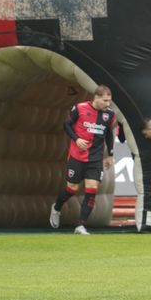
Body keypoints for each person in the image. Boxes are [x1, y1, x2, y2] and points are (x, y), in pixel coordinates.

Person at [49, 85, 116, 235]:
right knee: (71, 189)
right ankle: (57, 207)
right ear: (96, 98)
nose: (108, 104)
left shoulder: (110, 115)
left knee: (91, 190)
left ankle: (80, 226)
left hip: (96, 159)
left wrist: (110, 154)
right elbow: (66, 124)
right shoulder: (79, 108)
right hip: (77, 156)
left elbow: (109, 135)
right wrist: (76, 139)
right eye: (105, 100)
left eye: (109, 101)